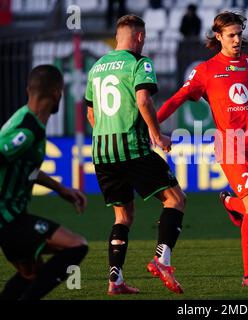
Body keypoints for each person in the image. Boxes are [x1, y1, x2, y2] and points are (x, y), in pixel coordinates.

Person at [157, 11, 248, 287]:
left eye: (240, 33)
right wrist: (152, 125)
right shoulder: (205, 70)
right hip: (230, 146)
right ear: (218, 37)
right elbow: (177, 99)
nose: (237, 39)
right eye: (231, 35)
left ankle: (229, 201)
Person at [85, 14, 186, 295]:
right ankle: (162, 259)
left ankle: (114, 281)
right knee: (176, 199)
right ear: (140, 37)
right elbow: (143, 99)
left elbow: (91, 113)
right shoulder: (140, 63)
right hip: (132, 147)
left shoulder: (96, 68)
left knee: (123, 216)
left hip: (102, 153)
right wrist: (156, 134)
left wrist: (107, 133)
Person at [0, 65, 88, 300]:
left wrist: (61, 190)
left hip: (13, 217)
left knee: (32, 275)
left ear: (29, 89)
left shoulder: (25, 119)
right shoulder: (28, 130)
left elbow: (25, 166)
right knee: (77, 245)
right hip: (8, 219)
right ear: (58, 93)